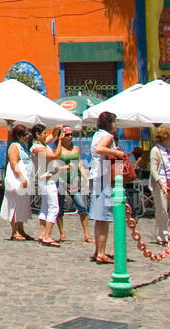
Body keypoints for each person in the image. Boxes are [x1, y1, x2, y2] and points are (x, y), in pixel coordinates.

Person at [88, 110, 129, 264]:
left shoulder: (96, 134)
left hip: (96, 176)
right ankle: (101, 253)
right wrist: (116, 153)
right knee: (104, 218)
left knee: (99, 218)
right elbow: (100, 149)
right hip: (104, 179)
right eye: (115, 122)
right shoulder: (107, 136)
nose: (116, 125)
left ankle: (98, 250)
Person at [0, 123, 35, 241]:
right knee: (14, 205)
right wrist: (22, 177)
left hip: (25, 181)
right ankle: (14, 231)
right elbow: (14, 163)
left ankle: (21, 230)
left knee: (22, 206)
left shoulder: (23, 146)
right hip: (17, 181)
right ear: (18, 136)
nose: (27, 136)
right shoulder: (14, 146)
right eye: (24, 135)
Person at [55, 126, 90, 243]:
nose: (70, 137)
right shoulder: (58, 149)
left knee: (82, 206)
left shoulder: (76, 148)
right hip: (61, 180)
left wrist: (86, 177)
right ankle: (62, 233)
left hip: (74, 180)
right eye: (67, 134)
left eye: (71, 134)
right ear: (62, 136)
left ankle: (87, 234)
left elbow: (79, 163)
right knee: (59, 208)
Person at [32, 125, 63, 246]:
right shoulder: (38, 148)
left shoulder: (42, 145)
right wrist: (60, 141)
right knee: (54, 207)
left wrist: (58, 129)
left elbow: (53, 135)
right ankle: (48, 235)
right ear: (37, 135)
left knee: (45, 206)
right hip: (46, 180)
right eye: (44, 133)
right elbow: (56, 155)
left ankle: (42, 233)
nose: (46, 135)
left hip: (46, 179)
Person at [148, 126, 170, 245]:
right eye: (169, 138)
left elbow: (169, 168)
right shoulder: (155, 150)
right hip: (160, 184)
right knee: (162, 210)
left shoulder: (167, 151)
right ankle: (161, 235)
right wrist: (161, 184)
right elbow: (154, 170)